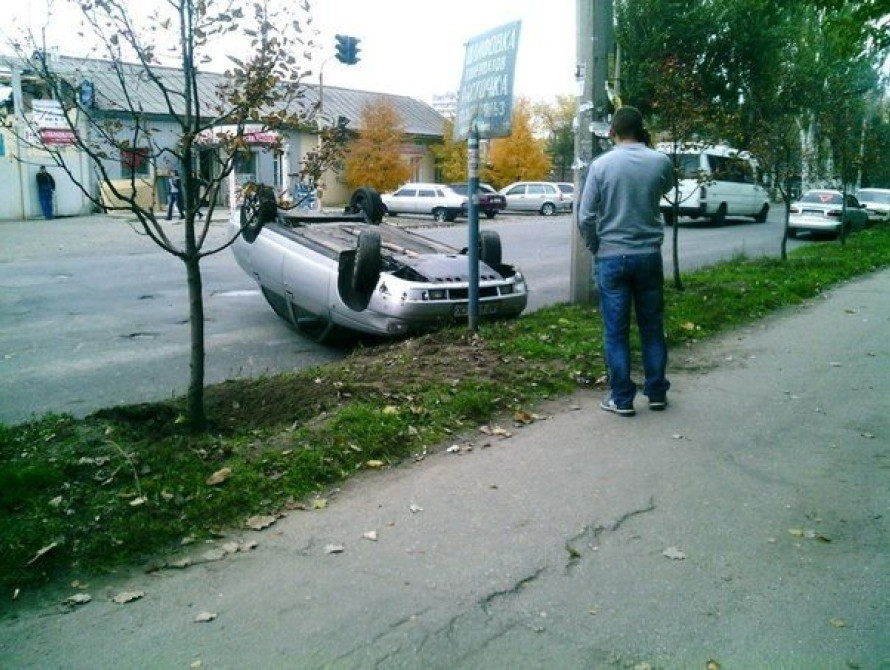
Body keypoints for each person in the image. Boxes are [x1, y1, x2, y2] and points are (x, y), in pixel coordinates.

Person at [577, 106, 675, 417]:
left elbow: (586, 216)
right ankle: (657, 392)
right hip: (648, 255)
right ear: (642, 129)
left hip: (611, 257)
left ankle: (621, 399)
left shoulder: (601, 165)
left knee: (616, 331)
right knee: (652, 326)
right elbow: (667, 188)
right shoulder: (660, 161)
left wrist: (596, 246)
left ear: (612, 132)